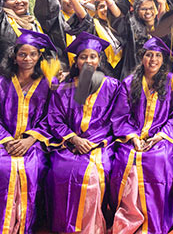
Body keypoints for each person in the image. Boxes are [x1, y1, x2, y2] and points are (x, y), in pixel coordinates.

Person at [0, 30, 57, 233]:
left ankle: (23, 225)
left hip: (35, 144)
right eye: (22, 54)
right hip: (2, 142)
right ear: (14, 56)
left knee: (31, 166)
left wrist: (30, 139)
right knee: (0, 165)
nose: (27, 59)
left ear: (40, 57)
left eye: (33, 54)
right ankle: (0, 226)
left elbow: (53, 117)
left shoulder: (49, 85)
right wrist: (7, 140)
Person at [46, 32, 121, 234]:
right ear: (76, 61)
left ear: (99, 60)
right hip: (69, 144)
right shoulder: (64, 87)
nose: (88, 61)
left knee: (96, 173)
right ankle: (66, 225)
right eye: (83, 57)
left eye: (93, 56)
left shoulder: (112, 86)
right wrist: (74, 139)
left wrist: (93, 142)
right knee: (62, 170)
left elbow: (116, 118)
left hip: (100, 145)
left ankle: (92, 226)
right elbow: (55, 118)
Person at [110, 37, 173, 234]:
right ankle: (131, 217)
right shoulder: (129, 83)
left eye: (158, 55)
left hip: (162, 137)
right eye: (149, 55)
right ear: (142, 57)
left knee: (159, 158)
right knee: (125, 159)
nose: (153, 59)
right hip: (133, 137)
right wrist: (134, 138)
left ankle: (154, 219)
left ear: (163, 59)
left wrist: (160, 136)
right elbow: (121, 116)